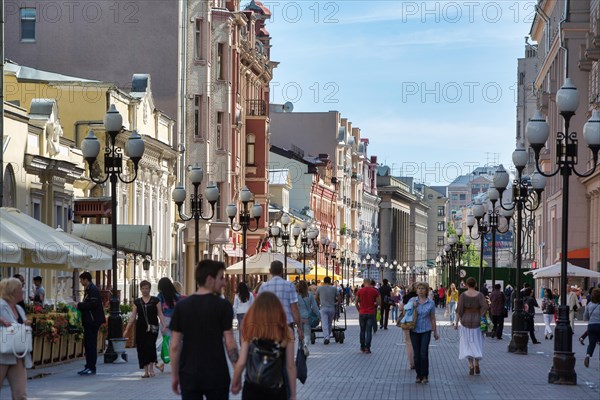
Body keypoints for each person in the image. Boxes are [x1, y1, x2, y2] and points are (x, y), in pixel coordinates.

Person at [169, 260, 238, 399]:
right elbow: (230, 343)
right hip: (217, 375)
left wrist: (175, 375)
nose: (224, 283)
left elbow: (175, 346)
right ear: (209, 279)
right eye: (221, 278)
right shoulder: (223, 306)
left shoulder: (182, 307)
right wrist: (237, 372)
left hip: (189, 375)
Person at [231, 292, 296, 399]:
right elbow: (290, 366)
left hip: (252, 388)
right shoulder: (286, 332)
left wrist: (235, 381)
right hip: (276, 389)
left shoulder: (250, 330)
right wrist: (293, 395)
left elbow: (242, 362)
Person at [123, 280, 167, 378]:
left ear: (150, 289)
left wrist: (164, 325)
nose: (145, 290)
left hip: (153, 327)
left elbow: (160, 313)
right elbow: (133, 316)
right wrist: (127, 329)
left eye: (146, 288)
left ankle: (151, 369)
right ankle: (146, 371)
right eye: (143, 288)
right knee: (142, 348)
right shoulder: (137, 302)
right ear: (140, 289)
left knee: (150, 346)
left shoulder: (156, 300)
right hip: (141, 328)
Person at [0, 277, 32, 399]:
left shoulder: (19, 308)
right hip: (2, 354)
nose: (23, 291)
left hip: (18, 354)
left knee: (21, 394)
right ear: (13, 291)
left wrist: (25, 325)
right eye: (20, 288)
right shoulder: (0, 305)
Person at [258, 261, 304, 342]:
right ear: (282, 271)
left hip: (269, 327)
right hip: (286, 326)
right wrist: (299, 328)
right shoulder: (289, 285)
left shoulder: (263, 287)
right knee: (287, 353)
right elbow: (294, 309)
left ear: (270, 271)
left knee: (270, 353)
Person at [455, 277, 488, 376]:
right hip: (477, 322)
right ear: (476, 284)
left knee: (467, 344)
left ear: (467, 285)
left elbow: (459, 310)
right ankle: (477, 363)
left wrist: (456, 323)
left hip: (465, 321)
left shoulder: (463, 296)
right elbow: (485, 307)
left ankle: (471, 366)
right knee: (477, 342)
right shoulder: (480, 295)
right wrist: (481, 315)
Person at [76, 271, 106, 375]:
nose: (80, 282)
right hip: (90, 321)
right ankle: (88, 366)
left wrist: (79, 305)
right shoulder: (89, 289)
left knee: (91, 344)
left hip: (92, 321)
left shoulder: (92, 290)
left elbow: (93, 304)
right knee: (88, 344)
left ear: (85, 279)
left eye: (81, 280)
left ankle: (91, 367)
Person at [409, 282, 439, 384]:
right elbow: (403, 311)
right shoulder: (412, 300)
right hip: (414, 330)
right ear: (416, 290)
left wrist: (435, 332)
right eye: (419, 288)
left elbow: (432, 318)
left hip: (426, 330)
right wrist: (411, 307)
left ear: (426, 290)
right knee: (416, 355)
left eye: (423, 288)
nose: (420, 290)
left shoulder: (431, 303)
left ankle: (425, 375)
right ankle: (418, 375)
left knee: (424, 353)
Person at [155, 277, 182, 373]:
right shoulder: (177, 296)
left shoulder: (160, 296)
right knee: (175, 342)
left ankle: (163, 362)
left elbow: (158, 310)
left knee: (165, 342)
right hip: (176, 320)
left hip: (165, 320)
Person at [355, 279, 380, 354]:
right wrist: (374, 304)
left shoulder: (360, 291)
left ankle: (362, 347)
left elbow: (356, 302)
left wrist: (359, 310)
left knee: (362, 330)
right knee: (369, 331)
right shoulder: (374, 291)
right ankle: (367, 348)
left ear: (364, 283)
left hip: (362, 313)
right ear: (370, 283)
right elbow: (379, 302)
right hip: (371, 313)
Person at [315, 276, 340, 345]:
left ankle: (326, 337)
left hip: (323, 307)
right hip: (332, 308)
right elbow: (339, 296)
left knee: (324, 323)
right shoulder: (334, 288)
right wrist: (337, 303)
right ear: (330, 281)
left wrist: (319, 302)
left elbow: (316, 297)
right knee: (329, 323)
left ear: (324, 281)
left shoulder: (320, 288)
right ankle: (327, 336)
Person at [399, 283, 417, 369]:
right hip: (418, 322)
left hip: (407, 321)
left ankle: (411, 363)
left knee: (408, 342)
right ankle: (417, 360)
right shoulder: (421, 298)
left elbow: (401, 308)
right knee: (418, 342)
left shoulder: (406, 297)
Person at [582, 288, 600, 368]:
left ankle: (588, 355)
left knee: (591, 344)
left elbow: (585, 316)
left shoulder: (589, 304)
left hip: (591, 326)